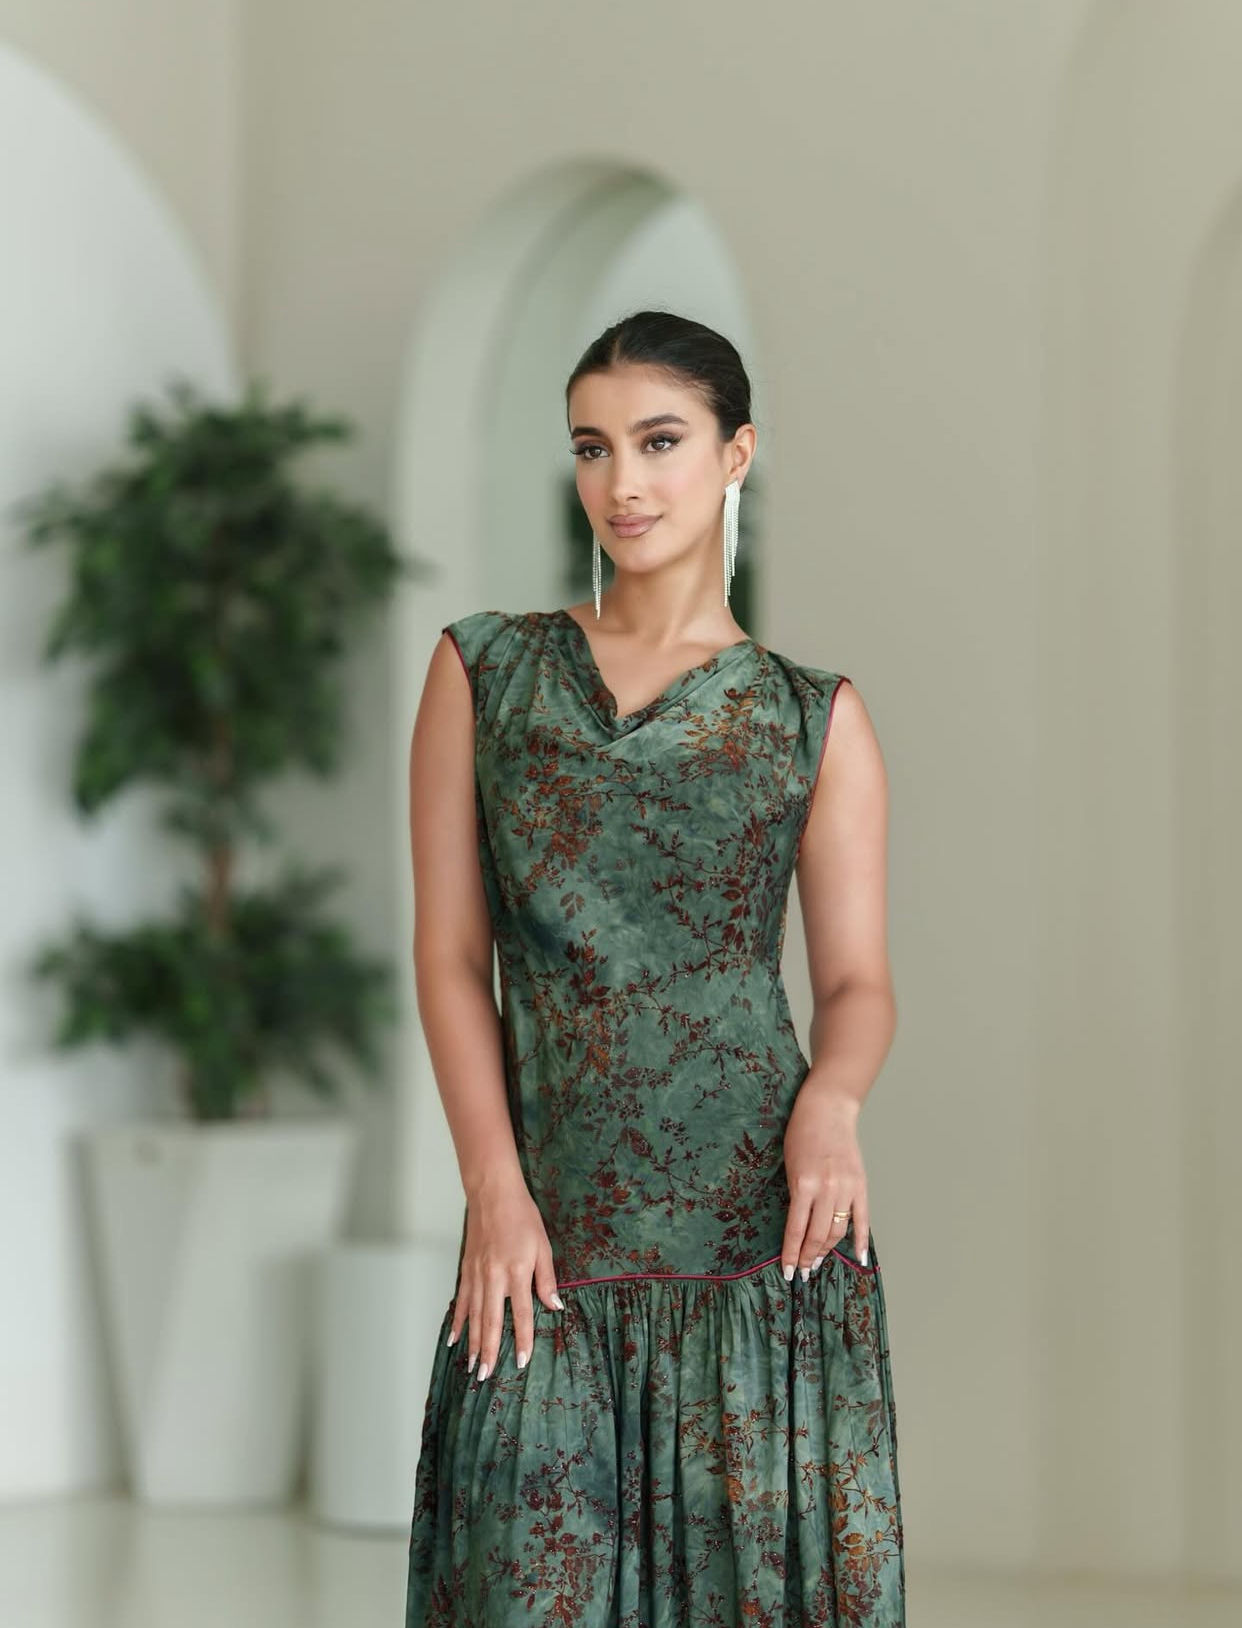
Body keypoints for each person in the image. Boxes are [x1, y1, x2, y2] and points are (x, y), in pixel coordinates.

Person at [404, 310, 905, 1626]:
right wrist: (493, 1189)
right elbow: (450, 959)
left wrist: (833, 1104)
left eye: (660, 441)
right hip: (543, 1238)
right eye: (593, 447)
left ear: (736, 454)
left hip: (760, 1238)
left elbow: (856, 986)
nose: (622, 482)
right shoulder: (484, 674)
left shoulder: (811, 716)